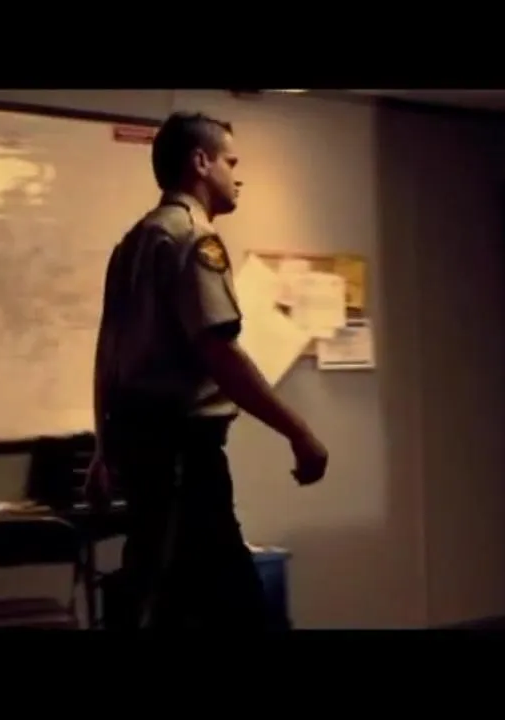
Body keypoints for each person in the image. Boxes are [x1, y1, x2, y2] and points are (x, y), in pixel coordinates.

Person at [86, 111, 329, 629]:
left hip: (141, 451)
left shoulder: (131, 244)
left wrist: (103, 450)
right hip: (184, 456)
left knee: (168, 593)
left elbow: (107, 355)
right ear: (201, 162)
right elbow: (220, 353)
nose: (238, 177)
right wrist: (300, 432)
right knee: (225, 604)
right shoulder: (194, 240)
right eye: (231, 162)